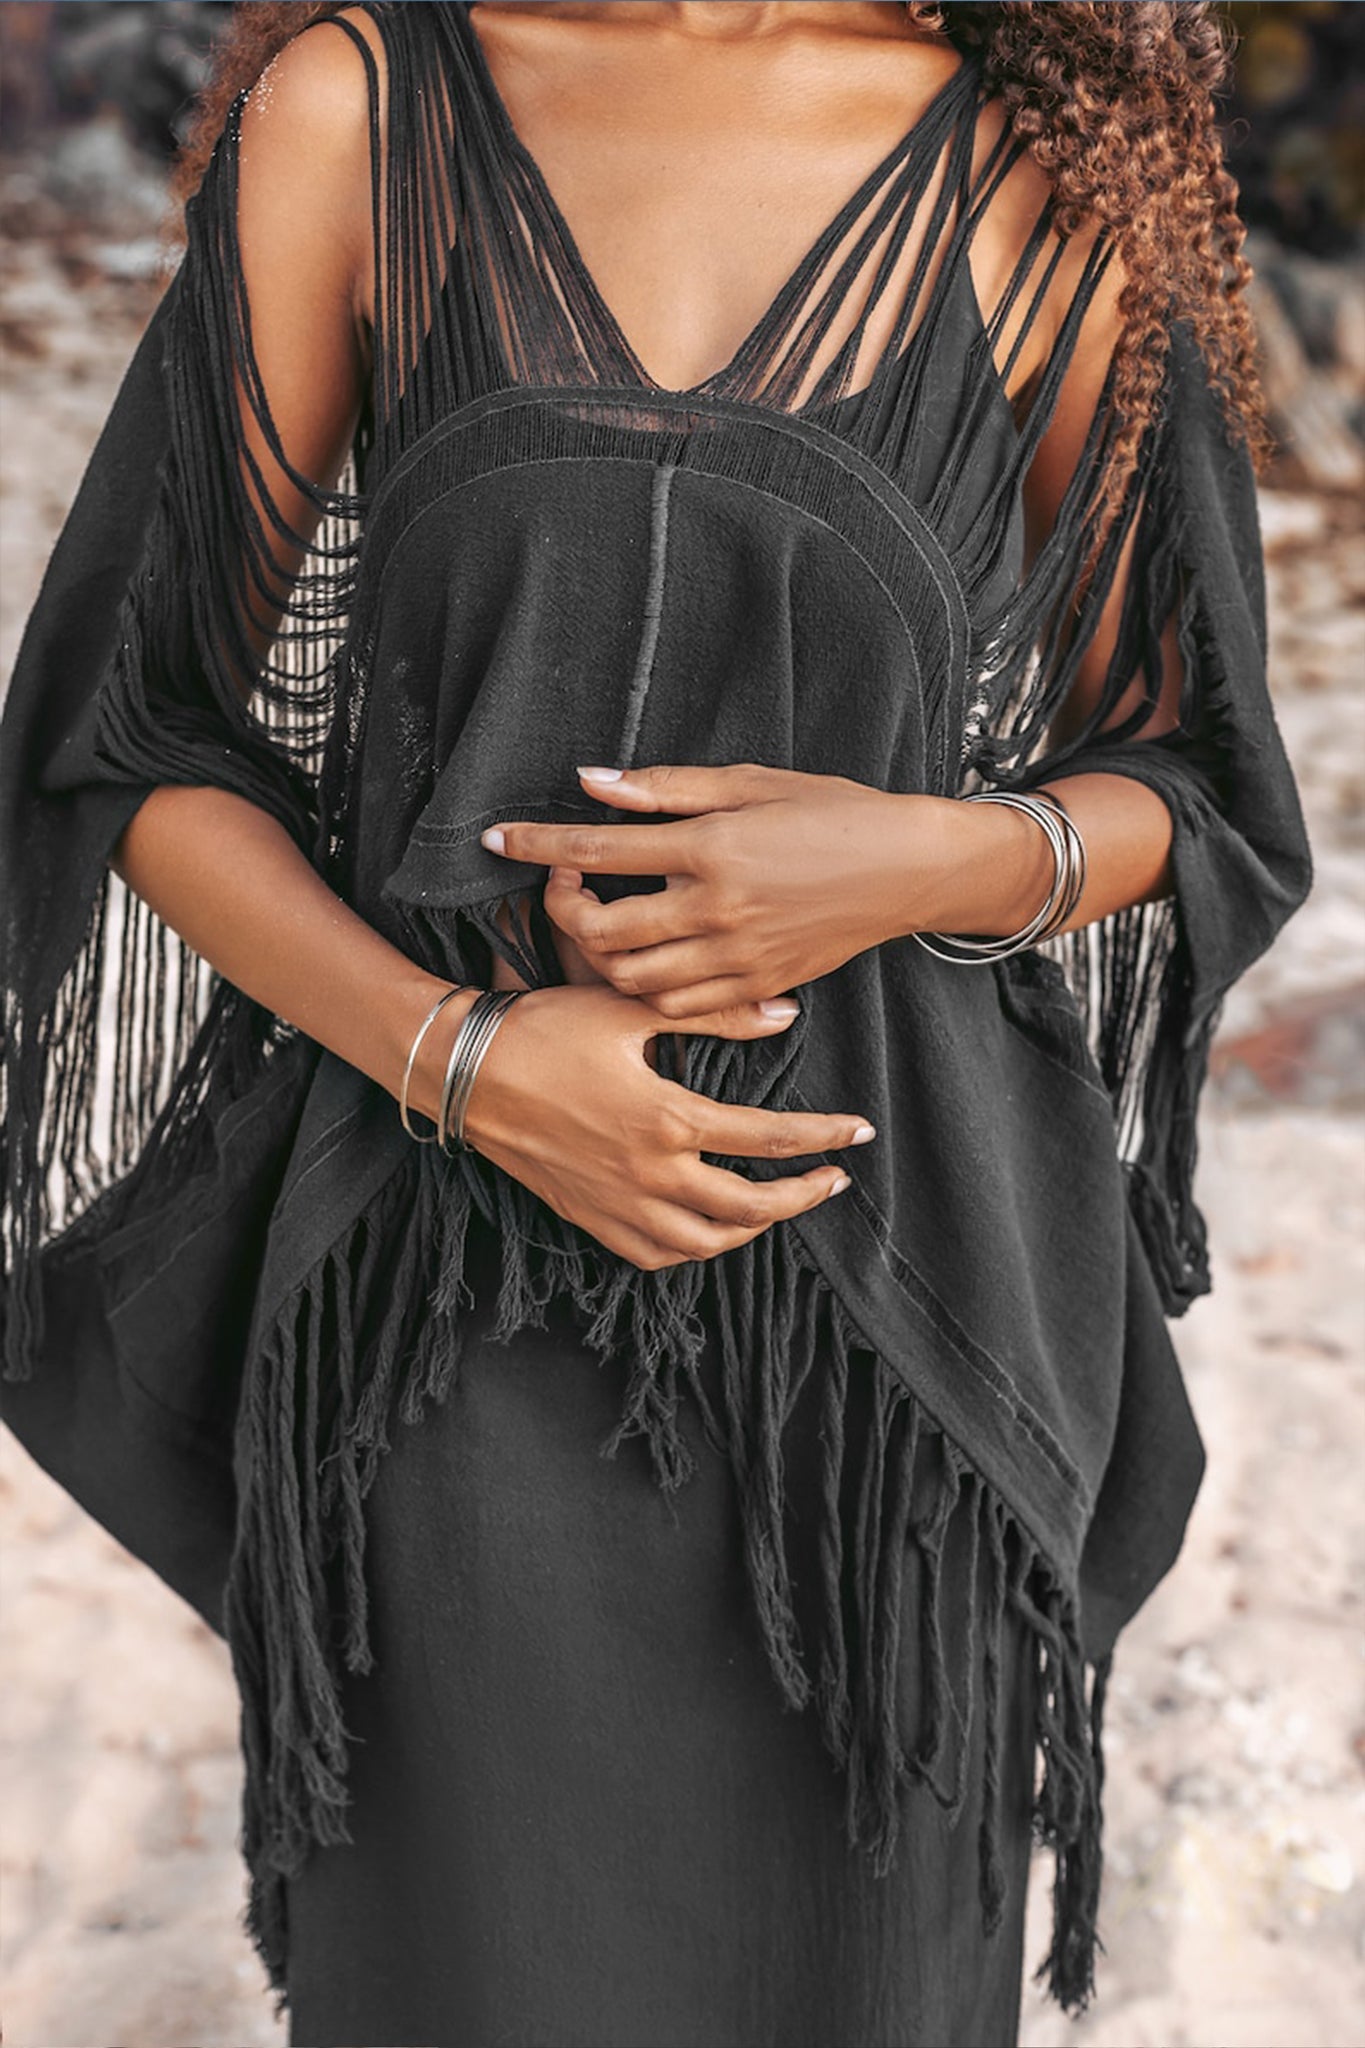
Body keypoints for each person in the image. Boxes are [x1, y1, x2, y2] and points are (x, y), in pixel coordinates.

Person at [0, 4, 1312, 2044]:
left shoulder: (1038, 168)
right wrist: (456, 1056)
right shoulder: (363, 110)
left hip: (901, 1340)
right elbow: (126, 739)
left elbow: (1204, 781)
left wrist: (919, 856)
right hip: (441, 1325)